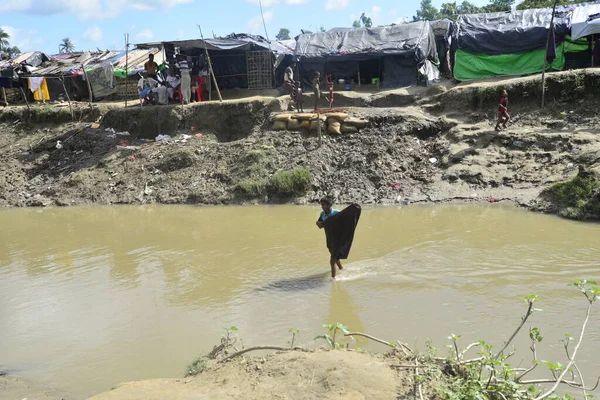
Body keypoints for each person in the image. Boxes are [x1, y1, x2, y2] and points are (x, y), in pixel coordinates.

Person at [316, 198, 362, 279]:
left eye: (324, 205)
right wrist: (317, 223)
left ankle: (334, 279)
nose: (322, 206)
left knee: (332, 260)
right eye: (321, 205)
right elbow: (321, 225)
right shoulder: (322, 214)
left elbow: (346, 221)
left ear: (329, 205)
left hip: (338, 238)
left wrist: (354, 207)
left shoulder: (337, 213)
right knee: (334, 256)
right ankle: (341, 269)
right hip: (329, 238)